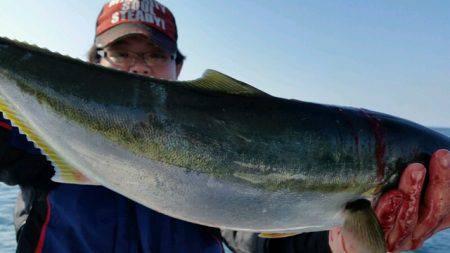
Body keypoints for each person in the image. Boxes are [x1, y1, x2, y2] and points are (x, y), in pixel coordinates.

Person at [0, 0, 449, 252]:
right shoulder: (32, 142)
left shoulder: (231, 153)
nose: (139, 68)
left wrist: (336, 246)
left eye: (153, 54)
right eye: (121, 52)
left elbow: (265, 239)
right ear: (93, 62)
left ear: (179, 67)